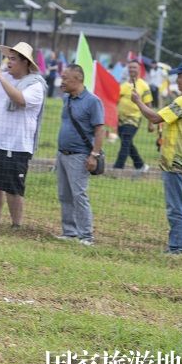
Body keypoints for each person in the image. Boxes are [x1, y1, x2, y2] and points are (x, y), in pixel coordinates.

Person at [131, 60, 182, 255]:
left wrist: (138, 101)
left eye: (180, 77)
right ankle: (177, 245)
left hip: (176, 163)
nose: (177, 81)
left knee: (176, 208)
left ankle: (177, 248)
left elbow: (156, 117)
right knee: (179, 205)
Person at [0, 42, 46, 227]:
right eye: (8, 58)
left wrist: (0, 77)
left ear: (25, 62)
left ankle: (16, 224)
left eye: (13, 59)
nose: (9, 62)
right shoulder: (3, 77)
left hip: (16, 144)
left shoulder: (35, 84)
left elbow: (20, 99)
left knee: (13, 188)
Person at [53, 64, 105, 246]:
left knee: (79, 195)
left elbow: (100, 130)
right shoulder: (67, 99)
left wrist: (94, 155)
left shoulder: (93, 101)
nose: (62, 81)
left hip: (79, 155)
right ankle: (70, 232)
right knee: (64, 195)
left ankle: (86, 235)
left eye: (66, 78)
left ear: (78, 79)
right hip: (62, 154)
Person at [114, 60, 152, 171]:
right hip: (120, 119)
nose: (132, 70)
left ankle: (118, 167)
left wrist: (150, 123)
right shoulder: (123, 85)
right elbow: (116, 101)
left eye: (134, 67)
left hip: (134, 118)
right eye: (130, 67)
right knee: (127, 143)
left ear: (139, 69)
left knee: (126, 140)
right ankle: (140, 165)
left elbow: (148, 104)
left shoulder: (144, 86)